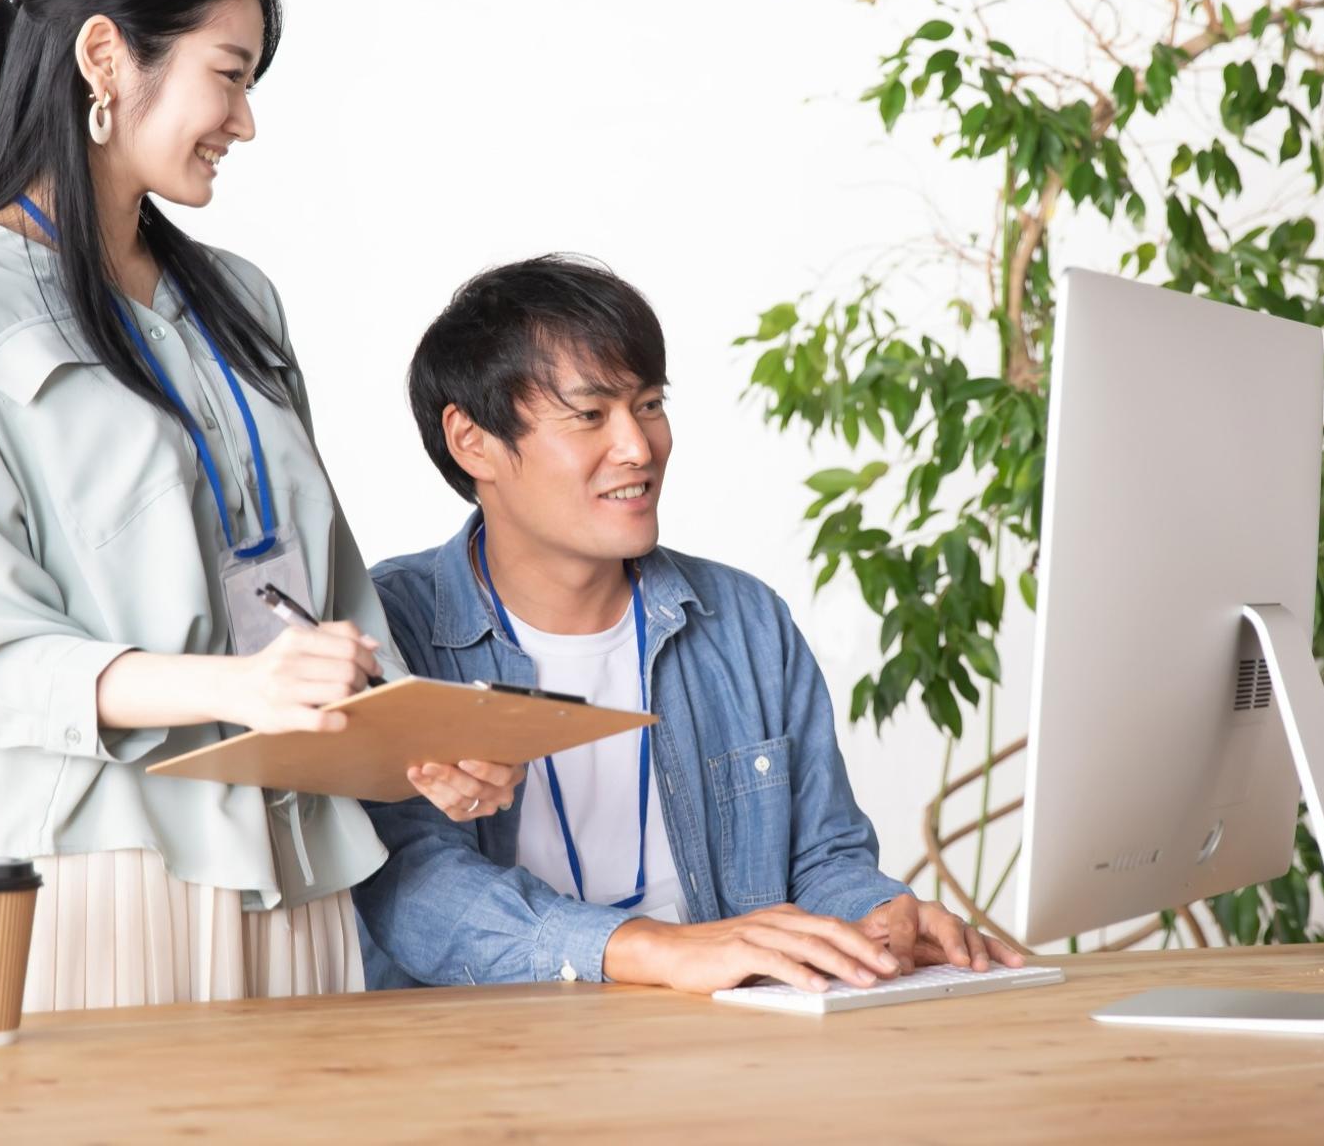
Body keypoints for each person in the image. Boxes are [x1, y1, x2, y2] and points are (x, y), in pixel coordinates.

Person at [0, 0, 518, 1012]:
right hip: (98, 857)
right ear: (106, 57)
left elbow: (322, 599)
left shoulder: (241, 300)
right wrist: (238, 688)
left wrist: (415, 739)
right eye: (230, 75)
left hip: (293, 852)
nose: (244, 122)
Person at [355, 256, 1022, 994]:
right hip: (487, 1045)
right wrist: (655, 949)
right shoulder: (386, 624)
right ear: (471, 439)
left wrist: (877, 914)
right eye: (590, 415)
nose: (638, 448)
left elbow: (823, 857)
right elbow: (408, 883)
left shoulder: (744, 620)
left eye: (648, 405)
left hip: (726, 1036)